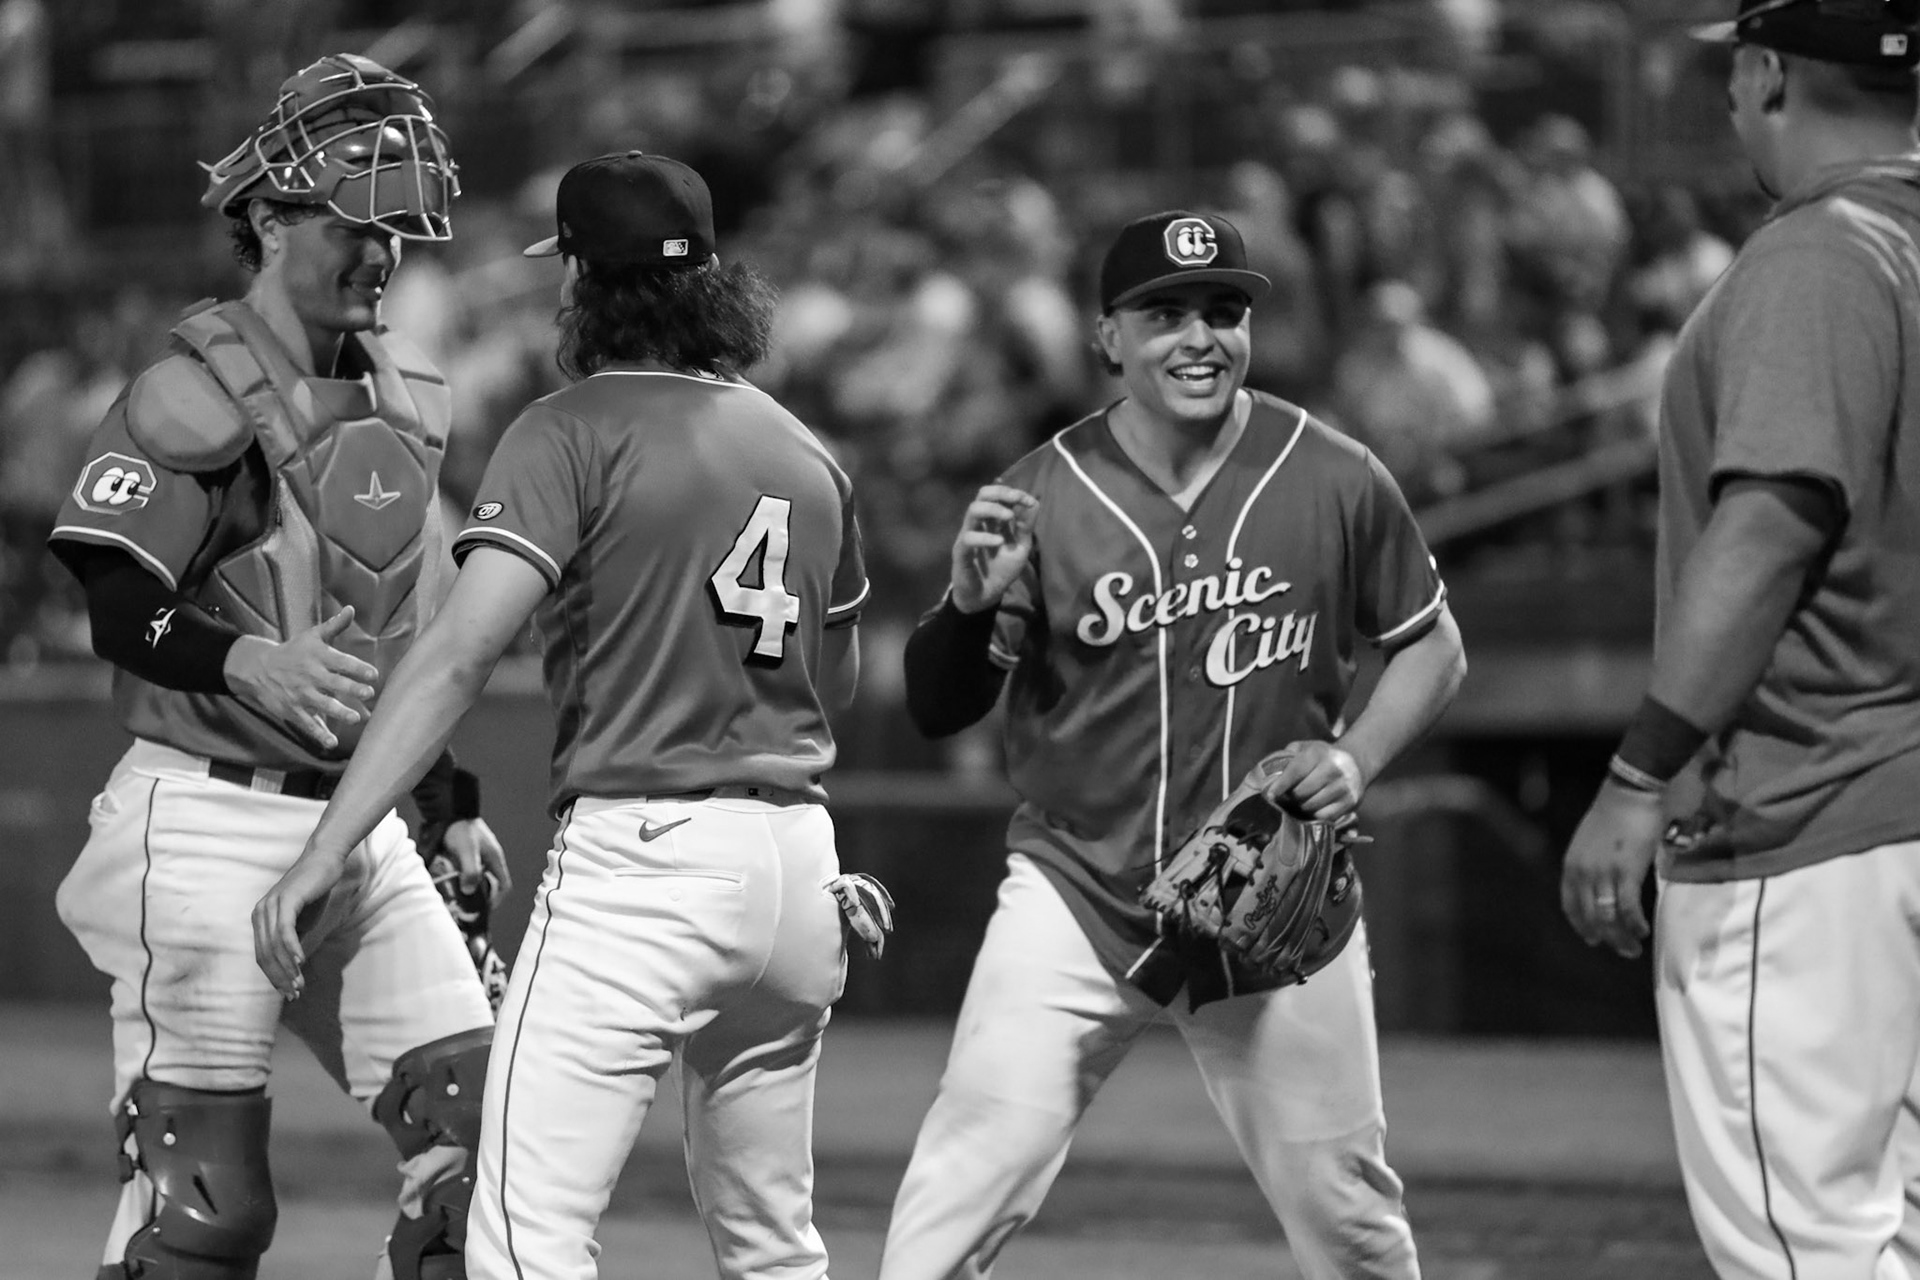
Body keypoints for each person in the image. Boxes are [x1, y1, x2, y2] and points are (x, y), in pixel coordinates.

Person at [253, 150, 872, 1280]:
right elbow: (844, 683)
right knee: (777, 1250)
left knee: (522, 1241)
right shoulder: (806, 450)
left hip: (645, 864)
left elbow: (453, 658)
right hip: (796, 871)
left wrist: (325, 848)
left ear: (586, 281)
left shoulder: (569, 427)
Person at [881, 209, 1467, 1280]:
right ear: (1108, 337)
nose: (1200, 336)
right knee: (951, 1202)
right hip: (1077, 890)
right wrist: (967, 608)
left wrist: (1354, 759)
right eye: (1165, 314)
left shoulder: (1333, 472)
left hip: (1267, 894)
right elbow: (936, 703)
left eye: (1223, 310)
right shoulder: (1045, 489)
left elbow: (1433, 646)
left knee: (1351, 1224)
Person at [44, 53, 506, 1280]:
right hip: (202, 818)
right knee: (206, 1205)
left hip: (358, 827)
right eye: (357, 221)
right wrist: (247, 658)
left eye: (398, 228)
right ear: (266, 218)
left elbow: (393, 637)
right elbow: (112, 598)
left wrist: (443, 797)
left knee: (494, 1151)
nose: (382, 252)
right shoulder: (191, 395)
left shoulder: (399, 402)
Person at [1560, 2, 1920, 1274]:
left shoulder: (1822, 253)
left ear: (1769, 71)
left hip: (1808, 818)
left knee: (1809, 1248)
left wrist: (1637, 773)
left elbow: (1773, 522)